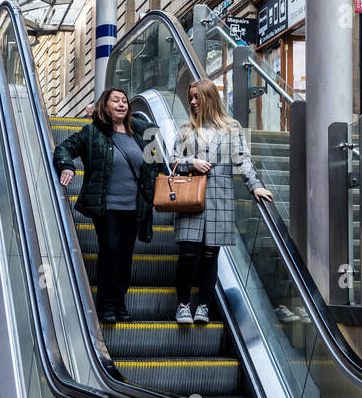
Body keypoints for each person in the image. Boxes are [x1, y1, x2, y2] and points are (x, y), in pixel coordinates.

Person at [171, 79, 272, 325]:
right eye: (190, 97)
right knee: (187, 252)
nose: (193, 102)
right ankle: (183, 304)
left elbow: (243, 160)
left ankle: (203, 305)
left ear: (210, 98)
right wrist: (190, 163)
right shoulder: (185, 128)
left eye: (197, 97)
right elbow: (172, 161)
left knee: (209, 254)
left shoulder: (231, 128)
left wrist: (255, 185)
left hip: (219, 196)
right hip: (191, 196)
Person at [53, 88, 156, 323]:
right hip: (107, 206)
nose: (121, 104)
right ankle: (106, 305)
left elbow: (155, 163)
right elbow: (64, 149)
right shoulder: (92, 133)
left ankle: (120, 303)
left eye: (124, 101)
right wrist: (67, 166)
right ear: (104, 106)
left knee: (126, 256)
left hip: (135, 207)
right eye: (115, 101)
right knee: (110, 250)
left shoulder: (142, 134)